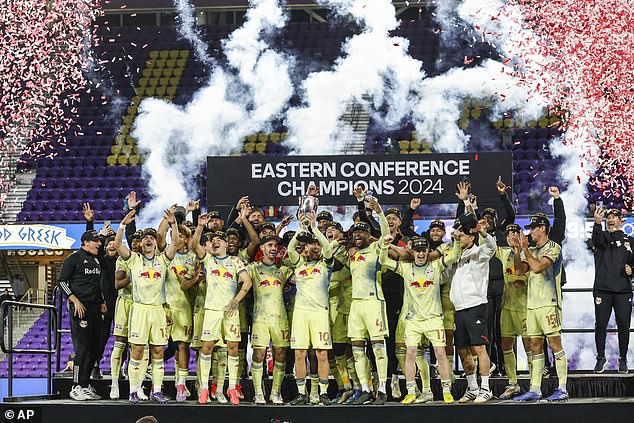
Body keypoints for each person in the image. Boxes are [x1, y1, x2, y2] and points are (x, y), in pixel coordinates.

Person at [379, 233, 462, 405]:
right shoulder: (405, 268)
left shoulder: (436, 266)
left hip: (434, 319)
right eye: (417, 251)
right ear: (413, 252)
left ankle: (446, 389)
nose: (421, 254)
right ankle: (410, 391)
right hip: (413, 321)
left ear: (428, 251)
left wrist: (458, 241)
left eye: (424, 250)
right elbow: (384, 261)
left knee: (440, 353)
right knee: (410, 354)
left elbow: (454, 255)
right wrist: (385, 245)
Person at [114, 209, 179, 404]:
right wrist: (122, 225)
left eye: (152, 237)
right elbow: (117, 244)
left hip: (158, 310)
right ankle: (133, 390)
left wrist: (173, 224)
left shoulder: (162, 260)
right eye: (145, 238)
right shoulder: (134, 259)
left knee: (158, 351)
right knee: (137, 351)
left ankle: (157, 391)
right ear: (141, 243)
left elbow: (175, 243)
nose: (149, 240)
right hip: (140, 310)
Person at [191, 215, 253, 405]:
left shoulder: (236, 262)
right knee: (207, 348)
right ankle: (203, 389)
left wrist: (236, 300)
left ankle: (232, 388)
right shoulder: (209, 260)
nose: (215, 242)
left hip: (230, 312)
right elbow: (195, 245)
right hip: (211, 310)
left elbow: (247, 282)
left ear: (227, 244)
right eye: (213, 240)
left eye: (219, 240)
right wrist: (200, 227)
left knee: (232, 349)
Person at [513, 213, 568, 402]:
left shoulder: (553, 247)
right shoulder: (532, 250)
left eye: (532, 228)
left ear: (542, 228)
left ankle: (562, 388)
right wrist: (515, 250)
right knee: (535, 346)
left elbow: (538, 268)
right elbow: (520, 270)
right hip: (532, 305)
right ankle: (535, 389)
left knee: (554, 343)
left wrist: (526, 250)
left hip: (549, 303)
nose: (530, 232)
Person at [346, 197, 390, 405]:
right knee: (357, 348)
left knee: (378, 347)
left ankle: (381, 388)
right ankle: (364, 388)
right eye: (354, 232)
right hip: (356, 304)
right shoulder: (352, 254)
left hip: (374, 302)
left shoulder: (376, 249)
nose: (357, 235)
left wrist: (379, 212)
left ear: (368, 235)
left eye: (361, 232)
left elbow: (387, 234)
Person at [288, 212, 335, 406]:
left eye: (317, 244)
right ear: (305, 247)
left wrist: (314, 227)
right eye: (311, 244)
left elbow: (328, 248)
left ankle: (323, 393)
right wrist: (300, 228)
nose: (315, 247)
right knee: (299, 353)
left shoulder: (326, 265)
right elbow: (290, 248)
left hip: (319, 314)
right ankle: (301, 393)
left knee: (321, 354)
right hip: (300, 313)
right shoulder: (298, 264)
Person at [449, 213, 496, 404]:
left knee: (479, 347)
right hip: (459, 308)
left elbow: (492, 247)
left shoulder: (480, 252)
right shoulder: (457, 256)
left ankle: (486, 388)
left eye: (461, 236)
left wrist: (483, 231)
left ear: (471, 237)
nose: (459, 239)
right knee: (462, 349)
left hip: (476, 305)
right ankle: (472, 387)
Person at [58, 229, 107, 401]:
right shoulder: (73, 258)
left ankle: (85, 385)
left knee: (94, 348)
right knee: (83, 348)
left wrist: (101, 301)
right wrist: (75, 301)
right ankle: (76, 386)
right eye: (96, 241)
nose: (99, 244)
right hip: (81, 308)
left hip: (94, 308)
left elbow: (96, 284)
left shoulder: (95, 260)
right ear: (86, 242)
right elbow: (62, 282)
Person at [246, 235, 293, 405]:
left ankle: (275, 392)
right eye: (270, 245)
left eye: (275, 246)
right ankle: (258, 392)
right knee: (258, 355)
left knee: (281, 356)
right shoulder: (253, 268)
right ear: (262, 249)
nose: (273, 248)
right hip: (260, 319)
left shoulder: (284, 269)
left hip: (280, 319)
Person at [592, 207, 633, 374]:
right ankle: (601, 357)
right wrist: (596, 223)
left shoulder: (630, 240)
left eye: (614, 217)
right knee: (601, 324)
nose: (611, 219)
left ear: (621, 220)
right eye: (608, 217)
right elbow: (596, 240)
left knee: (624, 325)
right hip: (603, 289)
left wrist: (632, 269)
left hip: (623, 290)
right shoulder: (602, 238)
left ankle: (623, 359)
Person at [496, 224, 531, 399]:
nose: (512, 236)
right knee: (506, 345)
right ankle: (512, 383)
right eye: (509, 234)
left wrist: (518, 249)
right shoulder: (502, 252)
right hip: (507, 306)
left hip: (525, 307)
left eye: (515, 233)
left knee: (530, 346)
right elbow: (486, 242)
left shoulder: (528, 253)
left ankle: (534, 383)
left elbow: (519, 270)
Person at [109, 229, 143, 400]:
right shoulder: (123, 260)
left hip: (143, 305)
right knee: (120, 343)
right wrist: (134, 276)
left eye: (140, 241)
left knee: (141, 347)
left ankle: (139, 386)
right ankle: (114, 384)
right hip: (125, 303)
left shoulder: (149, 260)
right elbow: (117, 284)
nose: (137, 244)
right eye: (134, 241)